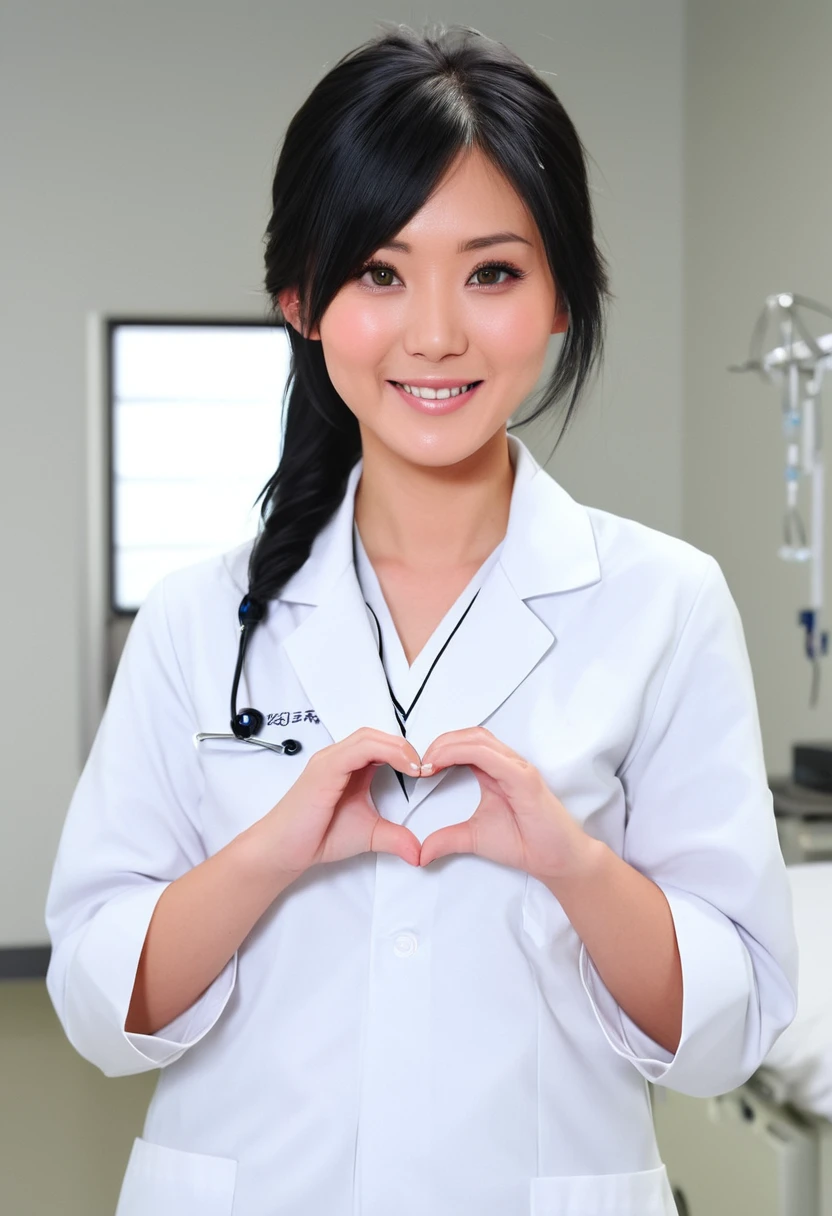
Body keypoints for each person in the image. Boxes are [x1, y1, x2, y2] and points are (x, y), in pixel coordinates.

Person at [44, 22, 798, 1216]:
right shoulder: (201, 620)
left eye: (491, 271)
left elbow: (727, 1030)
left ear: (561, 296)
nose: (435, 332)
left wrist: (574, 863)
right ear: (300, 299)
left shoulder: (664, 604)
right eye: (378, 273)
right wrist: (270, 853)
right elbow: (95, 1001)